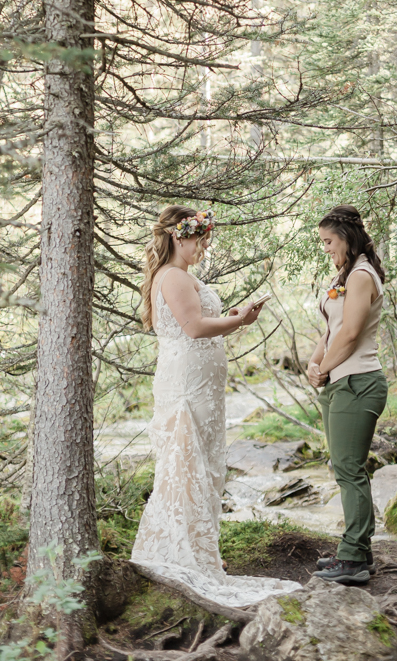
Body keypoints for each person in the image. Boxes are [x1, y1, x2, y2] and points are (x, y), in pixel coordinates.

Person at [130, 205, 300, 607]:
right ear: (177, 235)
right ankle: (182, 555)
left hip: (199, 382)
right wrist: (238, 321)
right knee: (185, 465)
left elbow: (201, 322)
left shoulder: (182, 276)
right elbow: (193, 328)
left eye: (206, 238)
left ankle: (201, 550)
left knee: (201, 466)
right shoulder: (171, 276)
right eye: (199, 238)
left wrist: (234, 316)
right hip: (186, 382)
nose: (204, 246)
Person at [307, 204, 388, 587]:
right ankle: (361, 552)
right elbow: (332, 328)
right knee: (343, 468)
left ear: (347, 237)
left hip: (358, 382)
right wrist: (314, 361)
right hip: (340, 381)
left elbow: (352, 333)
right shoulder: (344, 275)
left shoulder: (360, 275)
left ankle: (353, 556)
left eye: (328, 241)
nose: (325, 248)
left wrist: (324, 369)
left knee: (349, 470)